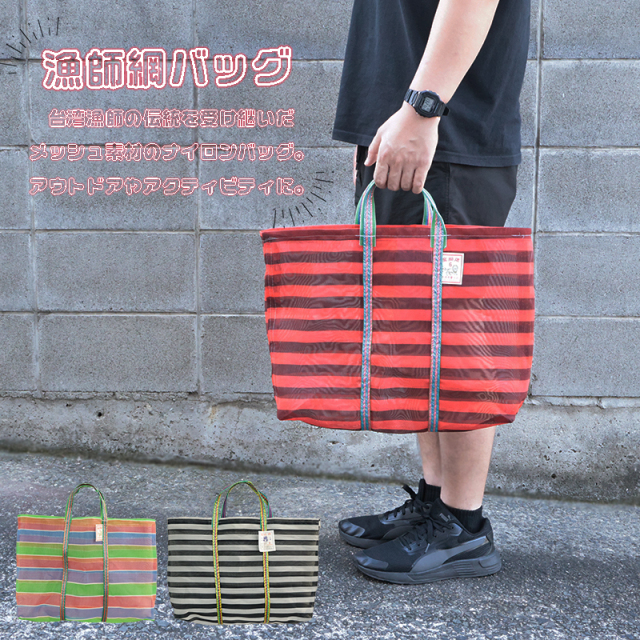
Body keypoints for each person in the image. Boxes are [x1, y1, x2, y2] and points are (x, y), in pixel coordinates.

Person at [331, 0, 531, 584]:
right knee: (421, 332)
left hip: (443, 134)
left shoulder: (430, 118)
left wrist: (423, 109)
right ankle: (437, 500)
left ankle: (463, 527)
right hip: (407, 130)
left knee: (457, 336)